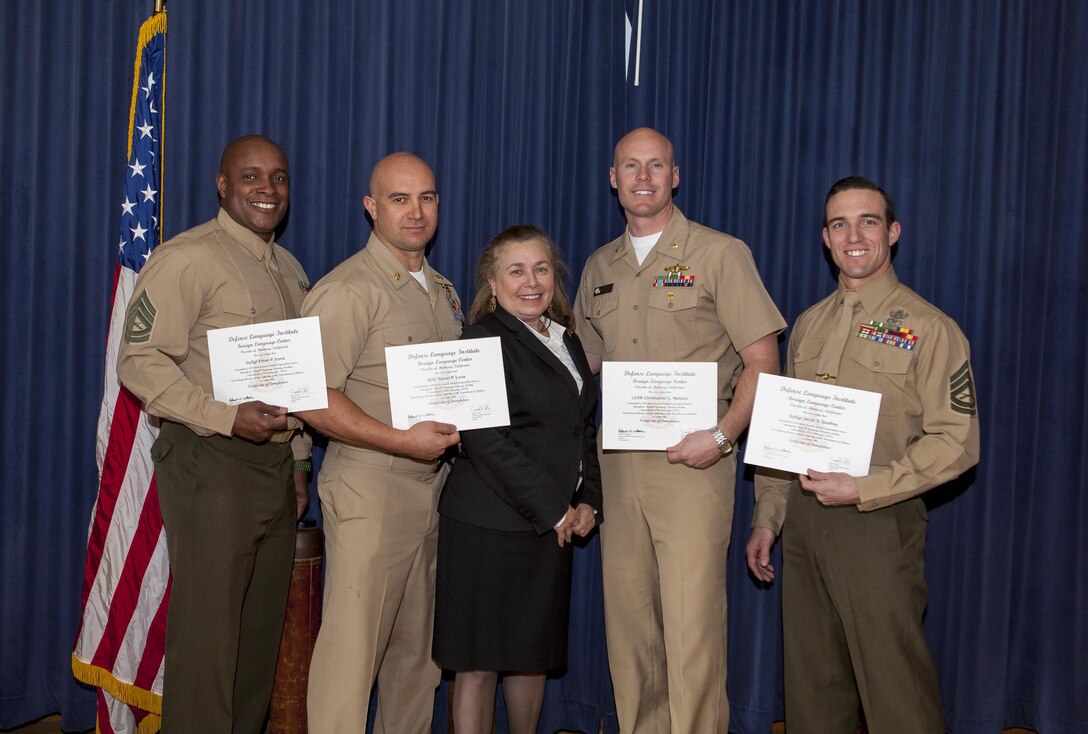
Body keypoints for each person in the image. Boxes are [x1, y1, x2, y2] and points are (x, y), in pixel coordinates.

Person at [747, 176, 980, 732]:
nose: (853, 235)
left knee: (895, 689)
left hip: (878, 521)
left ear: (892, 232)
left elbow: (957, 443)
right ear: (825, 239)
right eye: (839, 224)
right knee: (812, 690)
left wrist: (865, 486)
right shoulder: (806, 324)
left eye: (867, 221)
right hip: (803, 525)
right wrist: (767, 518)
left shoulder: (930, 328)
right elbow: (787, 429)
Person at [572, 127, 785, 732]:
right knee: (630, 628)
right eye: (630, 166)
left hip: (696, 465)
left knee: (692, 631)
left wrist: (721, 438)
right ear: (613, 178)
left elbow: (764, 361)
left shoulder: (721, 254)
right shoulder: (599, 266)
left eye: (656, 165)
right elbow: (582, 366)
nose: (643, 177)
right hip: (618, 468)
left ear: (676, 175)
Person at [116, 134, 312, 732]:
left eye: (278, 177)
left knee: (256, 645)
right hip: (210, 462)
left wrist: (299, 464)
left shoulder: (290, 269)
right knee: (208, 645)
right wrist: (226, 416)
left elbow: (298, 381)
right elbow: (139, 360)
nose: (266, 189)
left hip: (274, 471)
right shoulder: (188, 257)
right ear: (222, 185)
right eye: (250, 176)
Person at [297, 152, 463, 733]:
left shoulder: (440, 290)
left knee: (416, 664)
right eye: (399, 199)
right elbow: (311, 397)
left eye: (427, 197)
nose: (416, 212)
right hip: (372, 488)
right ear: (372, 208)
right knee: (351, 659)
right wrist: (400, 440)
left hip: (431, 492)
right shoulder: (348, 289)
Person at [433, 225, 602, 733]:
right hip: (488, 526)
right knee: (478, 662)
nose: (531, 281)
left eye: (542, 268)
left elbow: (581, 426)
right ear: (492, 279)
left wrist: (590, 498)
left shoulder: (566, 337)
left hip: (553, 529)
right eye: (517, 270)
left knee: (532, 657)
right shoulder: (480, 338)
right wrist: (555, 510)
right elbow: (487, 440)